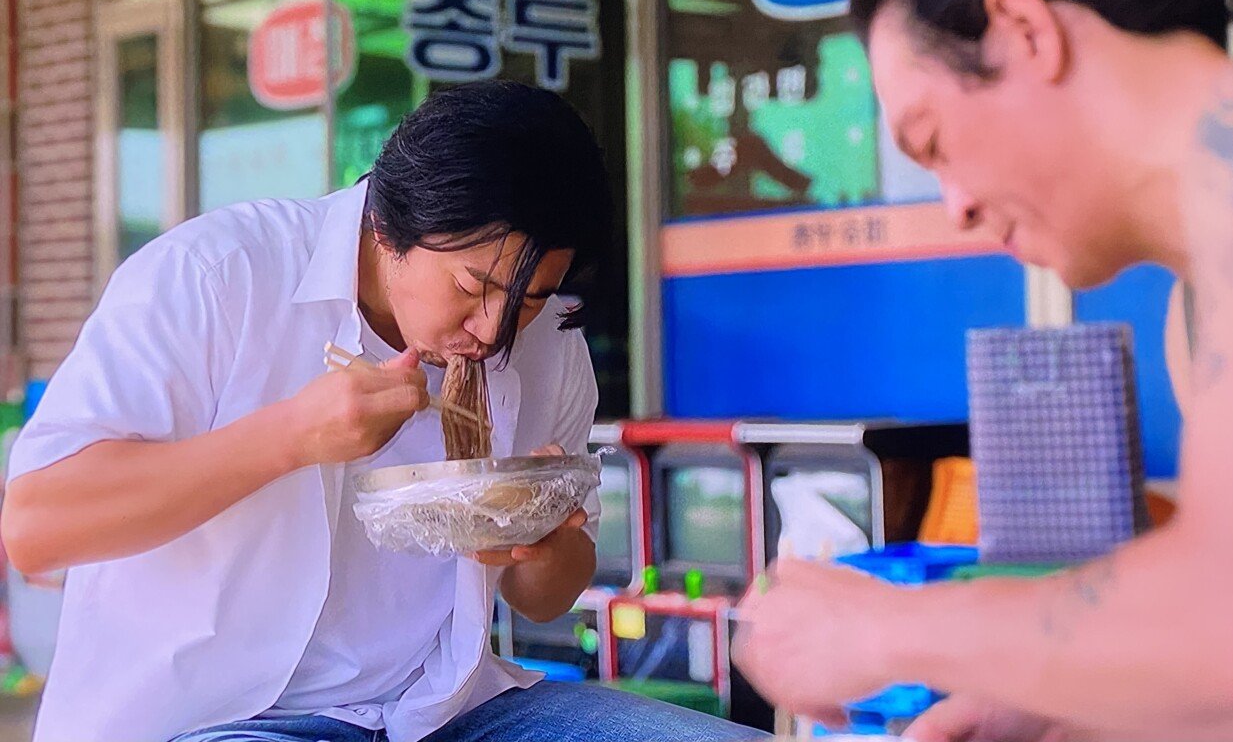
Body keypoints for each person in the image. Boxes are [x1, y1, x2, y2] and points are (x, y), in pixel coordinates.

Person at [1, 81, 763, 742]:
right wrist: (291, 435)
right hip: (213, 718)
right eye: (474, 288)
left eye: (528, 299)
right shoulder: (217, 276)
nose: (496, 331)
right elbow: (37, 529)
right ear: (388, 225)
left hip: (443, 713)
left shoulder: (548, 346)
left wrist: (535, 545)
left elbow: (551, 593)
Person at [733, 0, 1233, 740]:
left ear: (1024, 29)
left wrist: (887, 629)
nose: (955, 207)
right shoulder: (1200, 307)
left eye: (933, 142)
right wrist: (1060, 696)